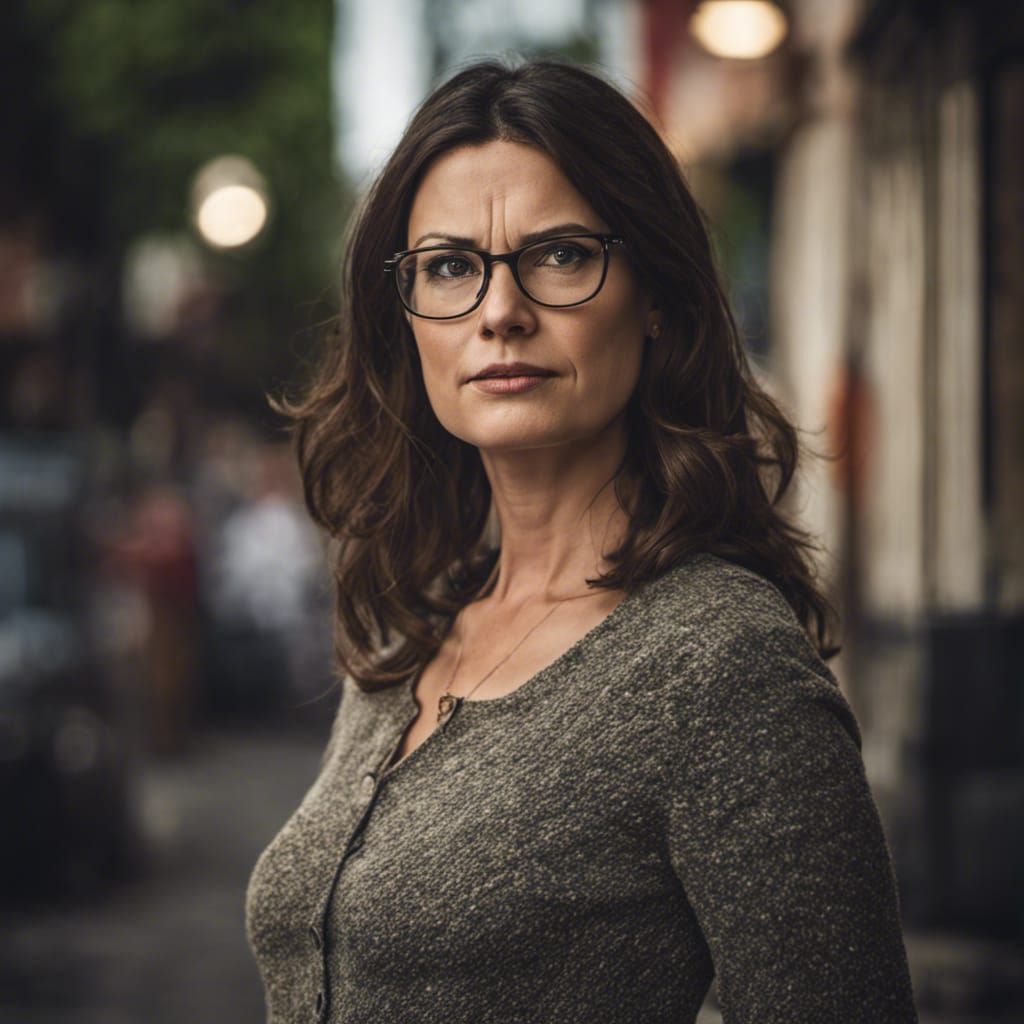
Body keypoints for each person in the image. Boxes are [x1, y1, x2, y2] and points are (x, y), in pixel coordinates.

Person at [245, 58, 918, 1024]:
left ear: (655, 296)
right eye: (448, 266)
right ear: (407, 318)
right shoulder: (412, 627)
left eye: (560, 254)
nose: (498, 312)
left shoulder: (720, 665)